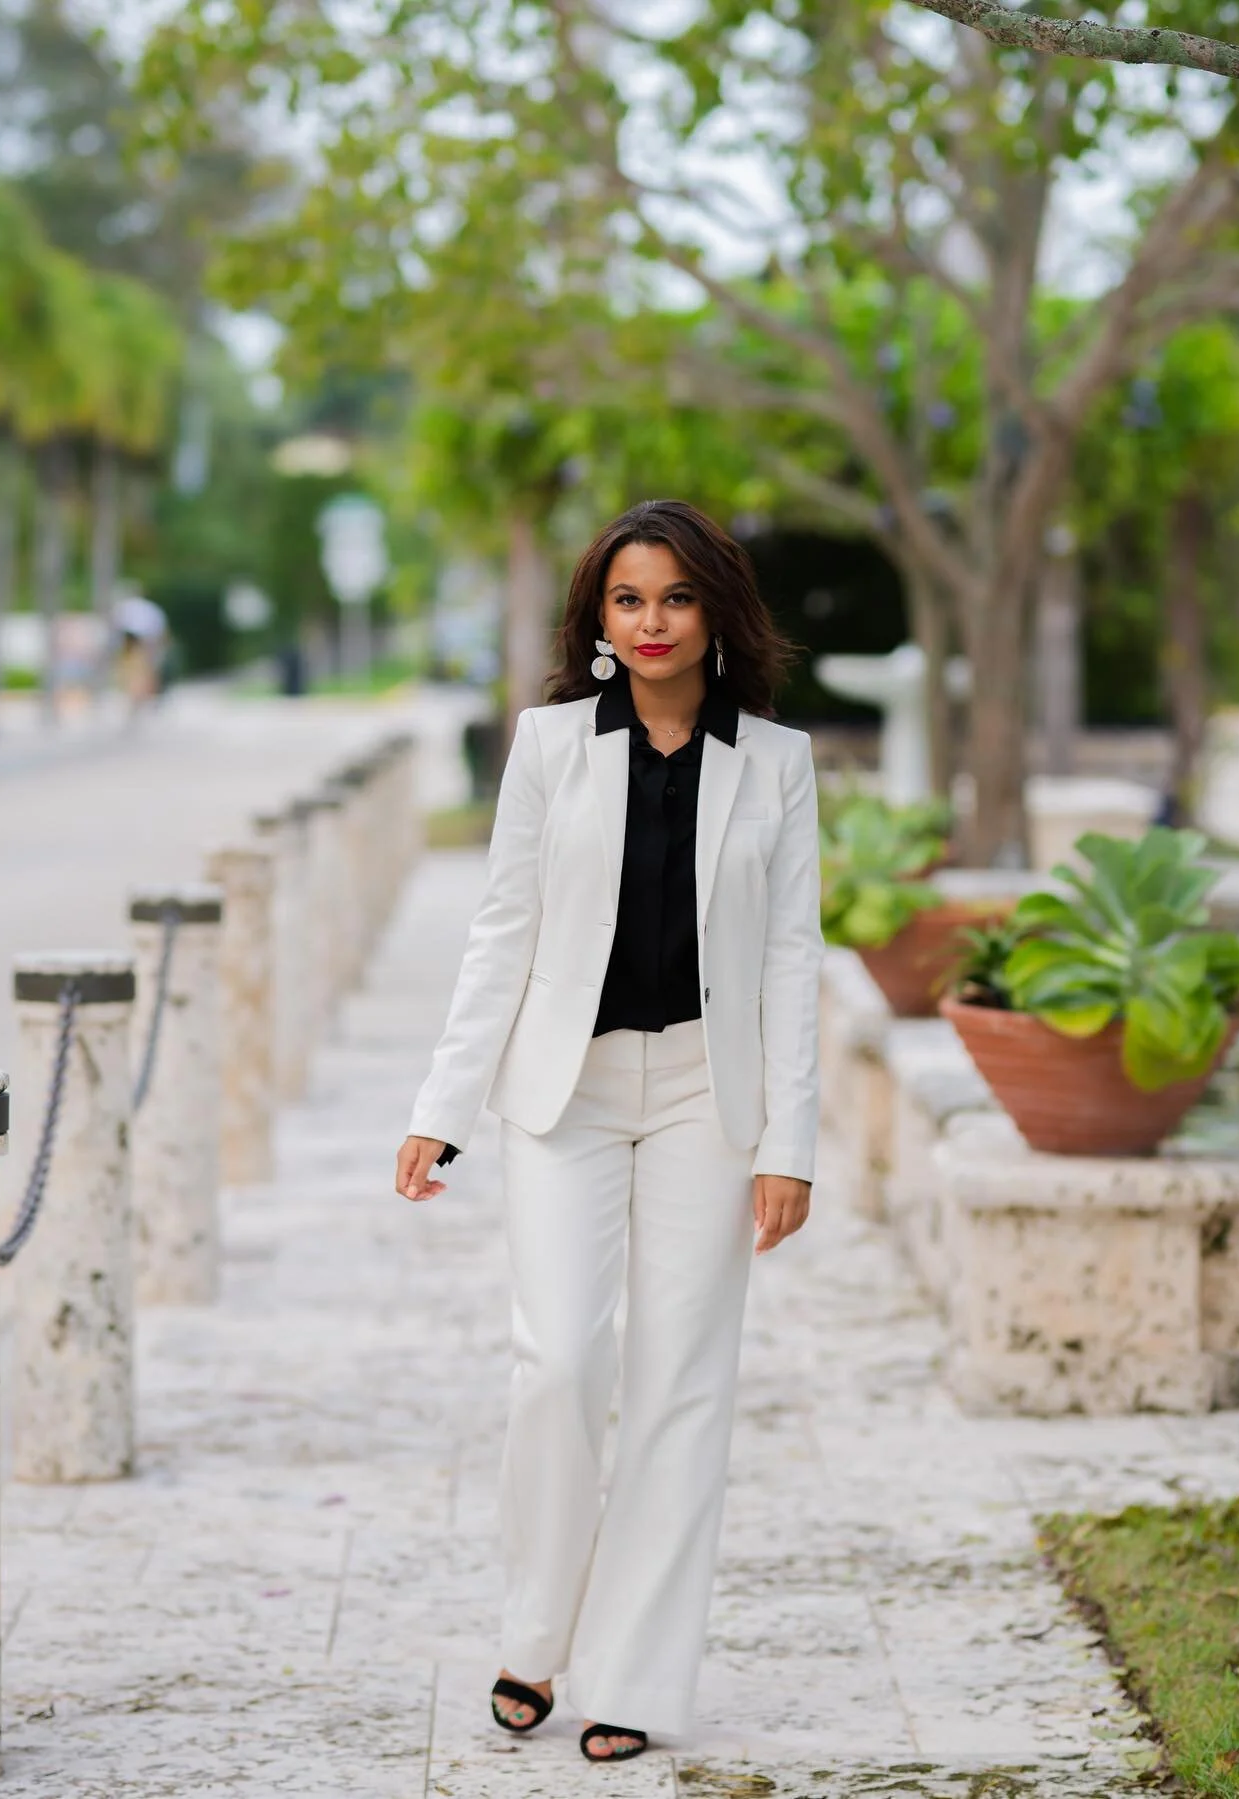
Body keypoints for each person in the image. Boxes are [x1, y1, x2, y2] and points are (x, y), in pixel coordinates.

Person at [395, 499, 822, 1764]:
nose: (650, 622)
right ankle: (535, 1634)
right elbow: (501, 933)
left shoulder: (779, 762)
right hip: (563, 1094)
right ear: (597, 616)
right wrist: (441, 1107)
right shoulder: (547, 746)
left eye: (676, 598)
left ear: (716, 613)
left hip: (708, 1090)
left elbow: (793, 958)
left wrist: (787, 1138)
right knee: (562, 1362)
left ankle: (632, 1671)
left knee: (682, 1382)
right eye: (628, 599)